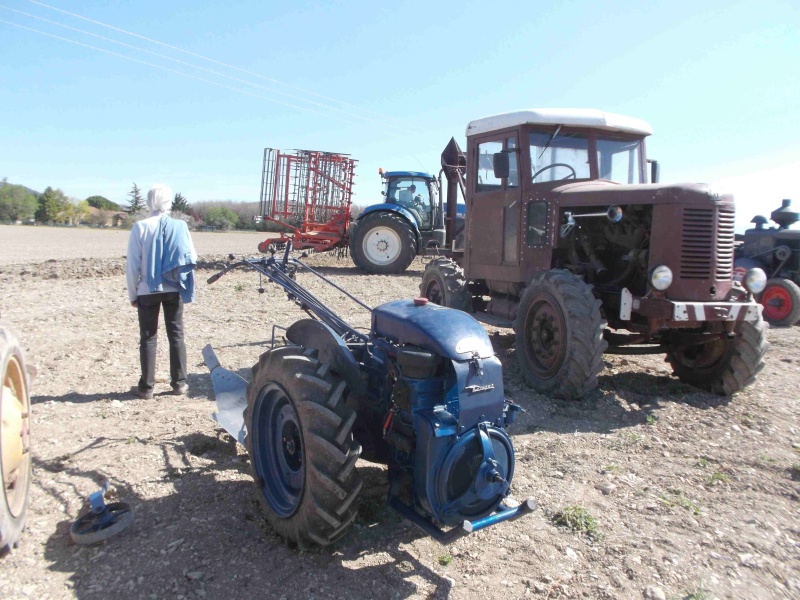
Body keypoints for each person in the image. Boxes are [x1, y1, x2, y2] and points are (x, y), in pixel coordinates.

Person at [126, 184, 197, 400]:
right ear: (169, 202)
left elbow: (133, 265)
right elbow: (191, 255)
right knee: (176, 334)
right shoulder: (181, 226)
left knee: (148, 337)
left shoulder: (140, 227)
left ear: (149, 202)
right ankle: (179, 383)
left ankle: (147, 388)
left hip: (147, 290)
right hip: (174, 288)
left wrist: (132, 294)